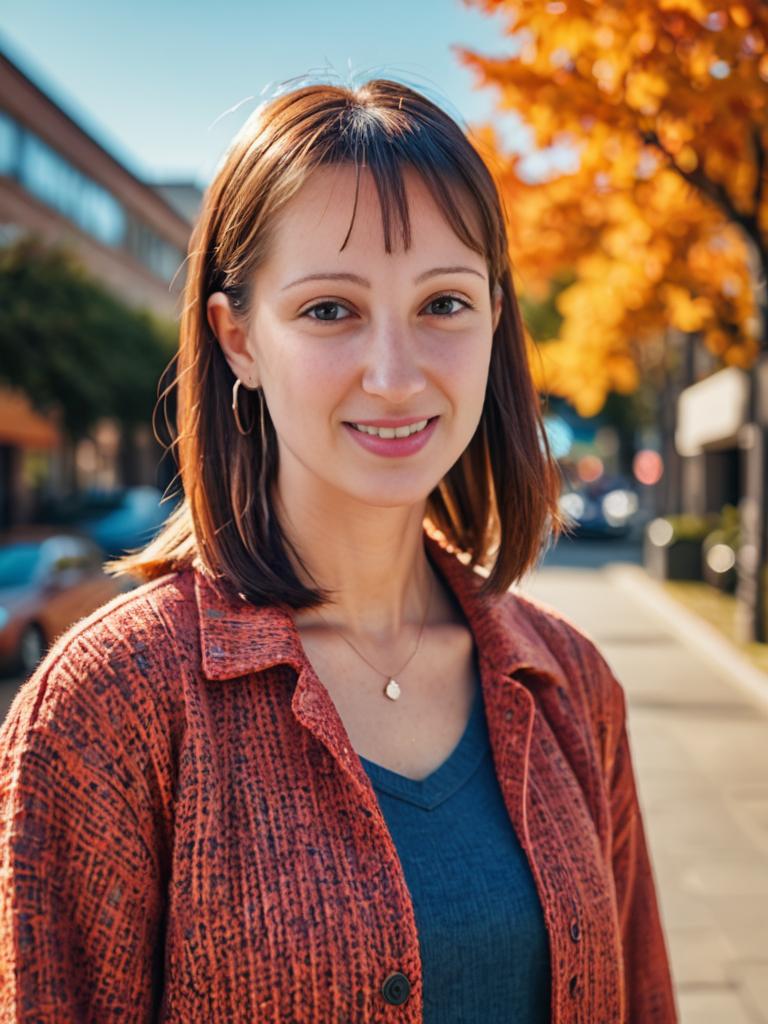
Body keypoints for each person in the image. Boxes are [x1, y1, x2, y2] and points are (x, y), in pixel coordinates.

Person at [0, 77, 677, 1023]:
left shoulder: (570, 685)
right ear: (237, 338)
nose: (396, 376)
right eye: (330, 310)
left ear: (494, 320)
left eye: (444, 303)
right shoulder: (108, 708)